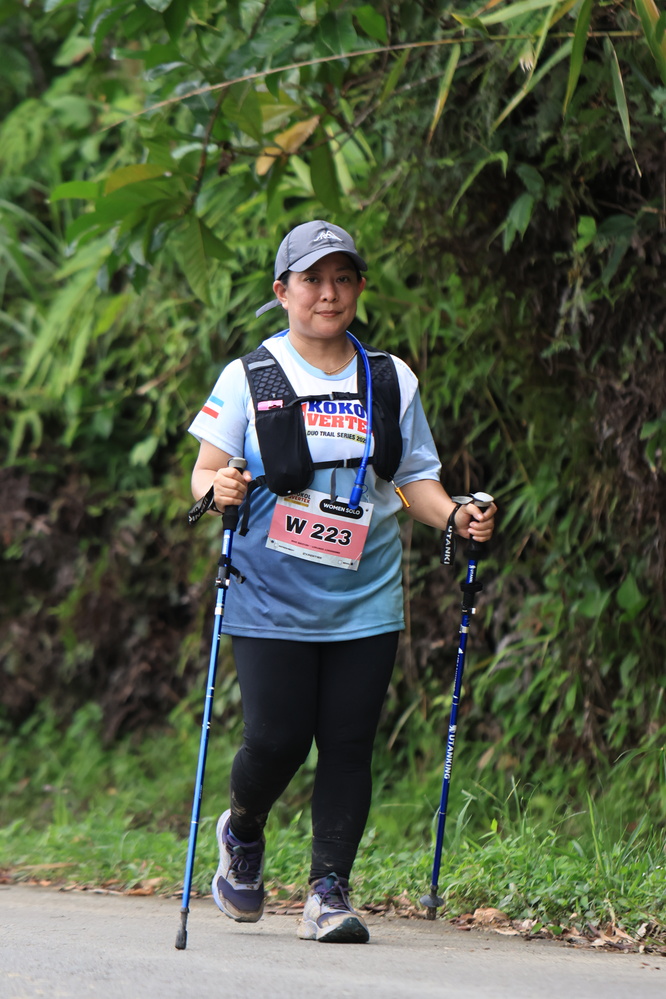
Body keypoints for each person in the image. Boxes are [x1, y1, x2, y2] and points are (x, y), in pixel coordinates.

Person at [188, 220, 496, 944]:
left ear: (358, 287)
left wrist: (458, 516)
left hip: (366, 595)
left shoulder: (389, 379)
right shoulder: (249, 376)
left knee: (350, 743)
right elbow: (203, 475)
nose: (328, 293)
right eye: (312, 280)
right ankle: (244, 830)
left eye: (343, 278)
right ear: (282, 290)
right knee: (276, 739)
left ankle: (328, 891)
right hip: (268, 594)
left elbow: (415, 482)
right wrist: (219, 488)